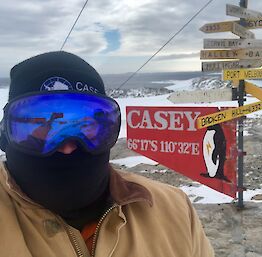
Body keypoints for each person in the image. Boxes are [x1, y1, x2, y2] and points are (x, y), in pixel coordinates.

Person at [0, 51, 214, 257]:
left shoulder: (173, 210)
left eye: (86, 125)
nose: (67, 147)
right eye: (42, 126)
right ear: (6, 134)